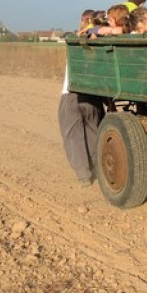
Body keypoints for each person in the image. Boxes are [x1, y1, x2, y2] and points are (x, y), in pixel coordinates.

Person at [59, 11, 106, 186]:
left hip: (71, 95)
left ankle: (83, 174)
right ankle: (97, 169)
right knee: (94, 131)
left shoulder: (75, 41)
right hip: (93, 97)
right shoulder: (101, 43)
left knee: (73, 135)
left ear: (82, 21)